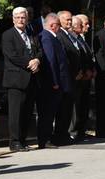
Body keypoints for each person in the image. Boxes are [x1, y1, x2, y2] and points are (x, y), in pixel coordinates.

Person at [2, 7, 41, 152]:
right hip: (16, 80)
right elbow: (12, 56)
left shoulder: (31, 34)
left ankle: (23, 140)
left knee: (27, 111)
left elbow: (39, 50)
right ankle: (14, 141)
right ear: (13, 19)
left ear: (27, 19)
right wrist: (30, 63)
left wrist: (37, 60)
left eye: (23, 17)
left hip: (31, 78)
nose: (20, 20)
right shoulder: (8, 35)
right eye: (17, 17)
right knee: (15, 113)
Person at [37, 13, 71, 148]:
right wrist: (55, 82)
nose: (59, 27)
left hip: (58, 83)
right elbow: (51, 61)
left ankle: (50, 138)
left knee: (52, 112)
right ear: (52, 25)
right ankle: (44, 139)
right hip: (51, 83)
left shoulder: (52, 37)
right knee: (47, 113)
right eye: (58, 25)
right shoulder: (46, 37)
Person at [53, 10, 79, 145]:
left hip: (72, 77)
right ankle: (59, 135)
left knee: (68, 109)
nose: (69, 22)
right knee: (62, 110)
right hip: (65, 78)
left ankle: (64, 134)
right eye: (66, 20)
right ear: (59, 20)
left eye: (70, 19)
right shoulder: (59, 35)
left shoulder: (69, 35)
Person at [71, 15, 95, 141]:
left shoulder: (81, 39)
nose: (87, 26)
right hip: (78, 77)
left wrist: (90, 70)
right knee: (76, 106)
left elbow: (87, 56)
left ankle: (81, 130)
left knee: (83, 105)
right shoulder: (73, 39)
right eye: (84, 24)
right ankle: (74, 131)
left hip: (86, 77)